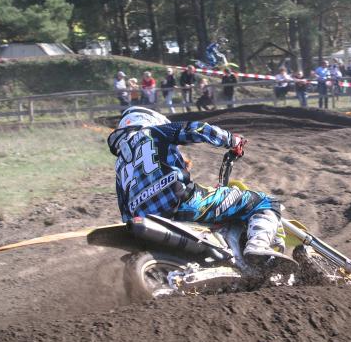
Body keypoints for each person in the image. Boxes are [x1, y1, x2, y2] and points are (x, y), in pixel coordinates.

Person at [106, 106, 294, 268]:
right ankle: (258, 246)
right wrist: (231, 140)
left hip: (149, 218)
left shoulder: (120, 164)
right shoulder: (155, 132)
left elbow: (124, 211)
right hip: (182, 204)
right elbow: (195, 129)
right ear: (149, 120)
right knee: (265, 202)